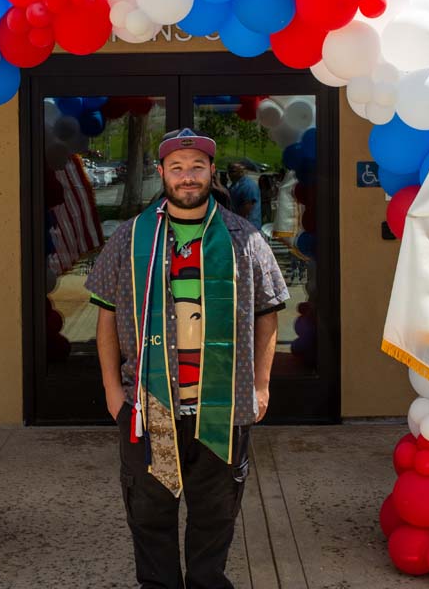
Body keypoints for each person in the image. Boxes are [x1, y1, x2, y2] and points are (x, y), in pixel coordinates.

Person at [86, 128, 288, 589]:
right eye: (176, 168)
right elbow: (106, 318)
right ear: (161, 173)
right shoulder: (131, 238)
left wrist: (261, 385)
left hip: (223, 404)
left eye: (197, 166)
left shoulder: (245, 238)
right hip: (149, 405)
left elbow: (267, 315)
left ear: (211, 171)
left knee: (215, 516)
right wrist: (112, 391)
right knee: (150, 514)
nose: (187, 176)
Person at [226, 159, 262, 229]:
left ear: (241, 172)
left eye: (233, 172)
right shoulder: (234, 185)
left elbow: (247, 208)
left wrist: (234, 222)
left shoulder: (248, 185)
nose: (230, 174)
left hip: (249, 226)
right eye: (229, 172)